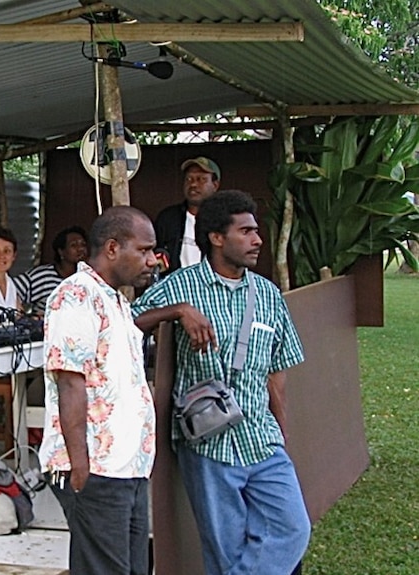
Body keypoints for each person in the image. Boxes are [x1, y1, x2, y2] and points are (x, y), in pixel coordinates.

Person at [131, 190, 310, 575]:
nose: (257, 240)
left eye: (256, 231)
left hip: (262, 439)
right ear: (216, 237)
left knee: (293, 528)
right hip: (208, 442)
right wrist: (177, 312)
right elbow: (127, 322)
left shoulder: (268, 295)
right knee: (224, 549)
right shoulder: (183, 285)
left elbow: (278, 374)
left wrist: (282, 434)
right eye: (245, 232)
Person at [38, 206, 158, 575]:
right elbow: (70, 381)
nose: (152, 260)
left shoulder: (115, 300)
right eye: (144, 250)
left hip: (128, 469)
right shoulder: (75, 296)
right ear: (111, 248)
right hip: (97, 471)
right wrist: (81, 468)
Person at [154, 156, 221, 274]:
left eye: (201, 179)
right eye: (189, 179)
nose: (194, 184)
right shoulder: (168, 218)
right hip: (175, 288)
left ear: (215, 185)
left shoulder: (223, 220)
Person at [12, 226, 88, 316]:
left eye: (83, 244)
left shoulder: (89, 278)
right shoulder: (42, 276)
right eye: (74, 245)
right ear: (61, 252)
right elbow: (10, 291)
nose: (80, 249)